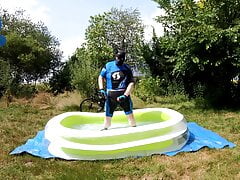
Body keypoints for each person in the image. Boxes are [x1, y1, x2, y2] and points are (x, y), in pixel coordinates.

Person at [98, 50, 136, 130]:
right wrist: (101, 89)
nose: (119, 60)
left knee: (131, 118)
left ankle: (135, 133)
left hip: (123, 95)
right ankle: (104, 134)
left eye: (121, 59)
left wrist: (125, 95)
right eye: (118, 58)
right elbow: (101, 76)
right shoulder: (108, 66)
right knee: (107, 119)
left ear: (124, 59)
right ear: (115, 57)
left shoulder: (127, 68)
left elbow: (131, 83)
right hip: (110, 96)